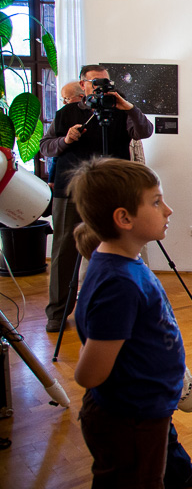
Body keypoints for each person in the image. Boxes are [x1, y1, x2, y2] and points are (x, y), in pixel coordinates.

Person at [71, 205, 192, 489]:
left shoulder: (128, 269)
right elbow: (88, 375)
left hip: (148, 403)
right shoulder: (119, 283)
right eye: (156, 201)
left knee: (152, 465)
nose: (169, 210)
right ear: (123, 219)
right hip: (131, 413)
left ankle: (179, 473)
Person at [40, 64, 154, 332]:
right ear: (83, 85)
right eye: (95, 83)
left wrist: (127, 107)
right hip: (70, 191)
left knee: (118, 247)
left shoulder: (121, 111)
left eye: (106, 82)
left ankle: (117, 307)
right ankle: (58, 312)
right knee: (64, 251)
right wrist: (66, 140)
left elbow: (144, 131)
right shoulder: (66, 113)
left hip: (112, 191)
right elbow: (46, 147)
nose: (101, 88)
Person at [47, 81, 85, 189]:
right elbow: (48, 148)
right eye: (63, 99)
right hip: (66, 179)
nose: (64, 102)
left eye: (67, 99)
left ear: (81, 97)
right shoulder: (62, 116)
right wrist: (52, 178)